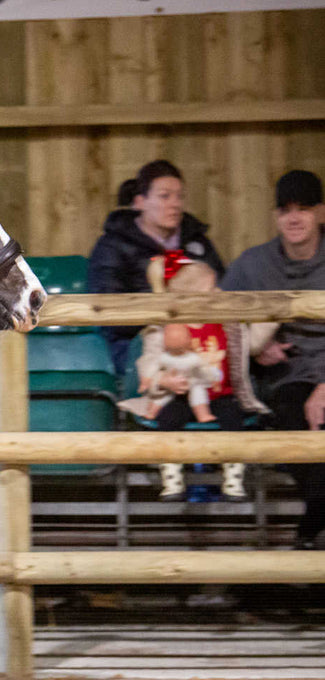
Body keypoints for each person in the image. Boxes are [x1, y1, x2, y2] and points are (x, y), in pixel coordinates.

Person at [221, 169, 325, 548]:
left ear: (321, 212)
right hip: (288, 375)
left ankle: (309, 531)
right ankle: (312, 531)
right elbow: (217, 317)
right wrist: (254, 342)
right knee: (292, 416)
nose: (294, 218)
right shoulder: (253, 264)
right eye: (285, 209)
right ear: (275, 216)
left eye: (304, 208)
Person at [118, 254, 265, 501]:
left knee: (233, 419)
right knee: (169, 419)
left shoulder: (226, 323)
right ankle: (172, 478)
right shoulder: (168, 328)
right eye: (211, 288)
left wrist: (272, 318)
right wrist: (164, 381)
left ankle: (233, 479)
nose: (218, 291)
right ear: (191, 296)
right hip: (181, 394)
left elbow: (254, 342)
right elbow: (150, 362)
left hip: (219, 392)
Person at [88, 160, 226, 373]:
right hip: (137, 341)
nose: (175, 204)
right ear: (140, 202)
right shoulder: (113, 245)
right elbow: (108, 310)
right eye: (165, 196)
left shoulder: (197, 241)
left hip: (199, 336)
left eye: (179, 196)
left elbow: (222, 287)